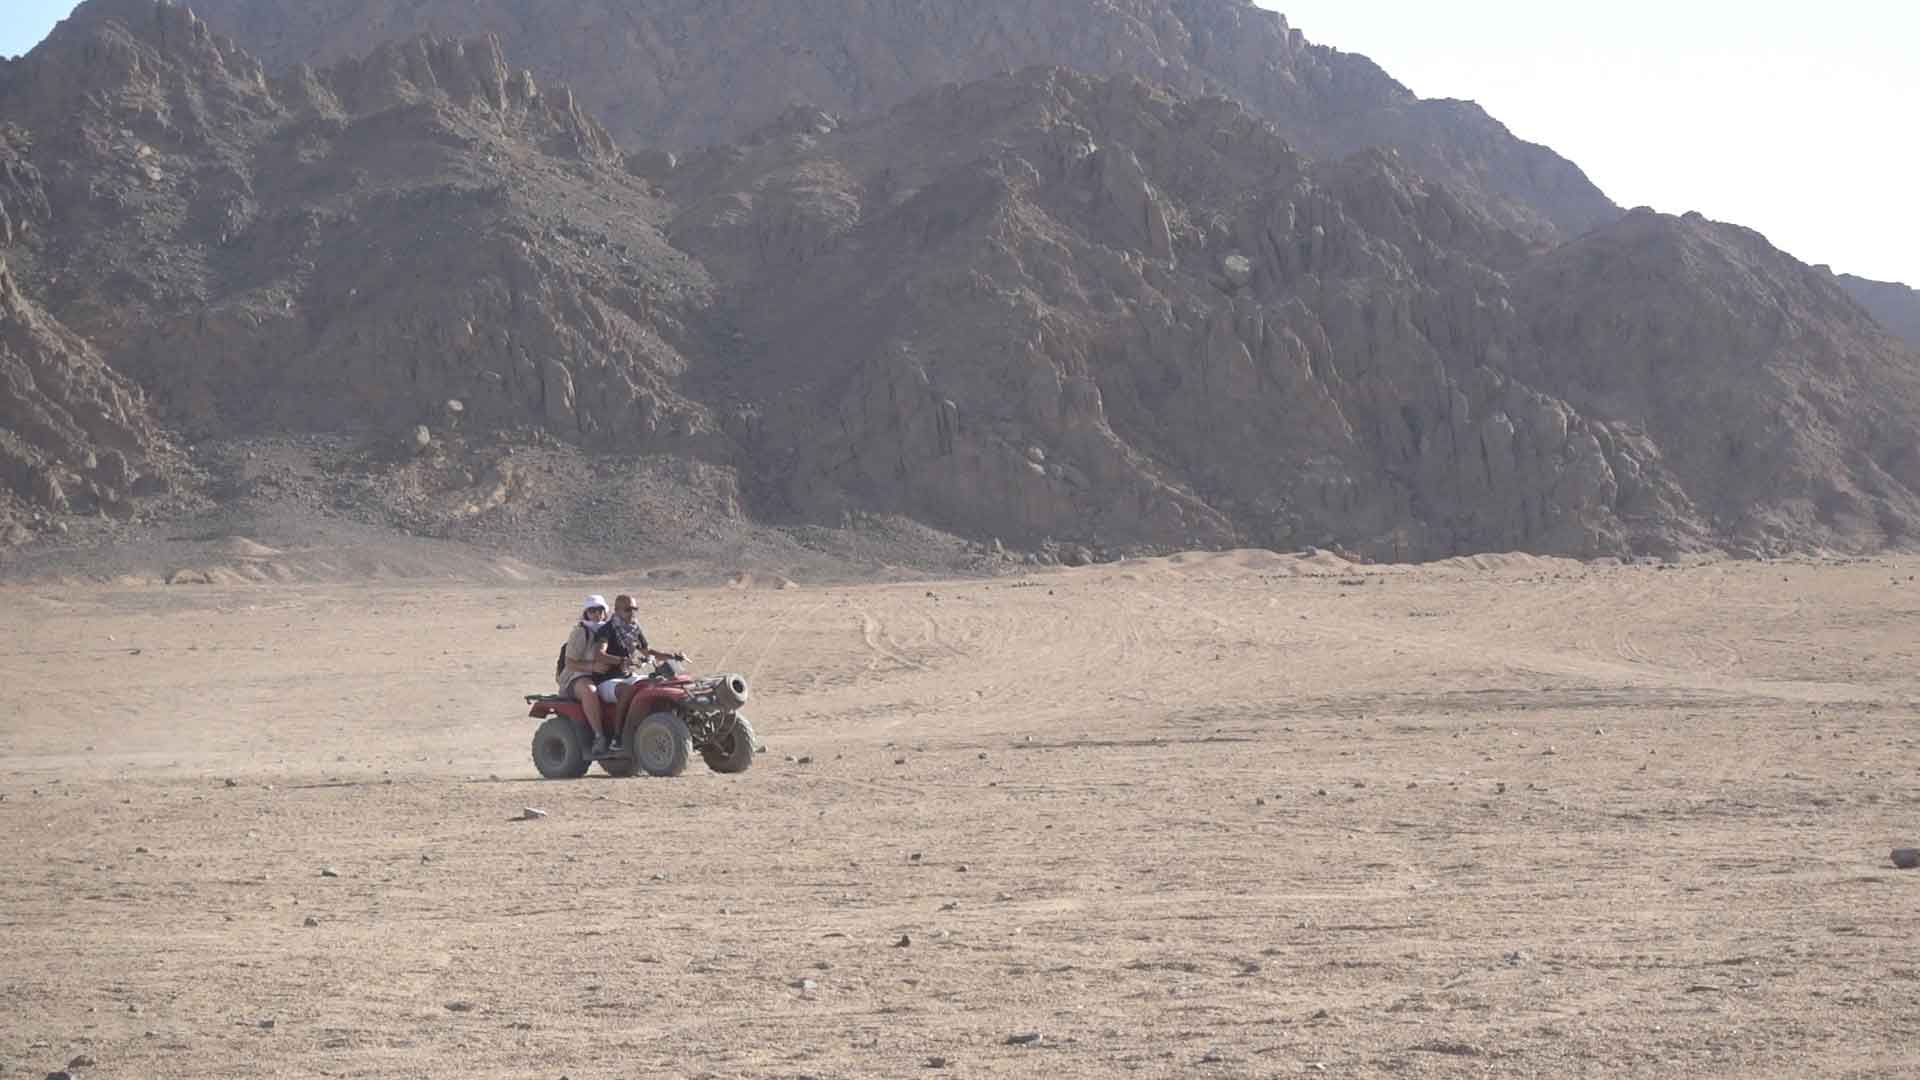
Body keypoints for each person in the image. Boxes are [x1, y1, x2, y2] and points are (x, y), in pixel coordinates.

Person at [591, 593, 688, 713]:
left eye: (634, 609)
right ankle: (620, 730)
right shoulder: (607, 630)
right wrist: (622, 660)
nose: (632, 613)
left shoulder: (634, 629)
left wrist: (672, 656)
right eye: (627, 610)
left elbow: (647, 651)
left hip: (629, 676)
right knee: (627, 691)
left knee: (659, 683)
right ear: (617, 610)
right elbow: (599, 654)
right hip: (607, 680)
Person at [557, 594, 617, 759]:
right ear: (586, 613)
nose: (596, 614)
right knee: (589, 690)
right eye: (592, 610)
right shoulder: (581, 632)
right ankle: (599, 737)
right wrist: (592, 667)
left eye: (599, 610)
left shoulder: (611, 630)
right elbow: (569, 663)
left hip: (601, 676)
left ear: (605, 611)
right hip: (576, 678)